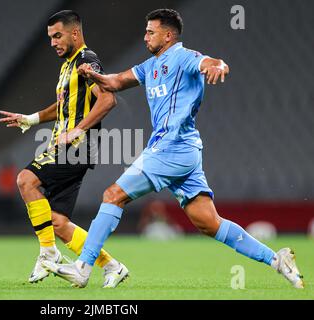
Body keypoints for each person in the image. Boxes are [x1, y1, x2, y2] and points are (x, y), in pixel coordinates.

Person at [43, 8, 304, 289]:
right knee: (208, 222)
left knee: (113, 195)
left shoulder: (182, 56)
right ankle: (277, 260)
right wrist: (93, 75)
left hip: (171, 147)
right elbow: (115, 82)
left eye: (150, 32)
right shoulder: (149, 66)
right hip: (185, 152)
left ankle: (83, 266)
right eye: (145, 31)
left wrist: (219, 66)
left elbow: (210, 62)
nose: (145, 37)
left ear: (167, 35)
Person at [0, 10, 129, 288]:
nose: (53, 42)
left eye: (57, 36)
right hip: (71, 146)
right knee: (56, 222)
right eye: (50, 38)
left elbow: (108, 100)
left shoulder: (86, 60)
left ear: (75, 33)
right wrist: (31, 119)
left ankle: (48, 253)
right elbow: (66, 106)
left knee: (25, 180)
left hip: (77, 148)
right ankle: (112, 266)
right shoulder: (67, 66)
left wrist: (78, 130)